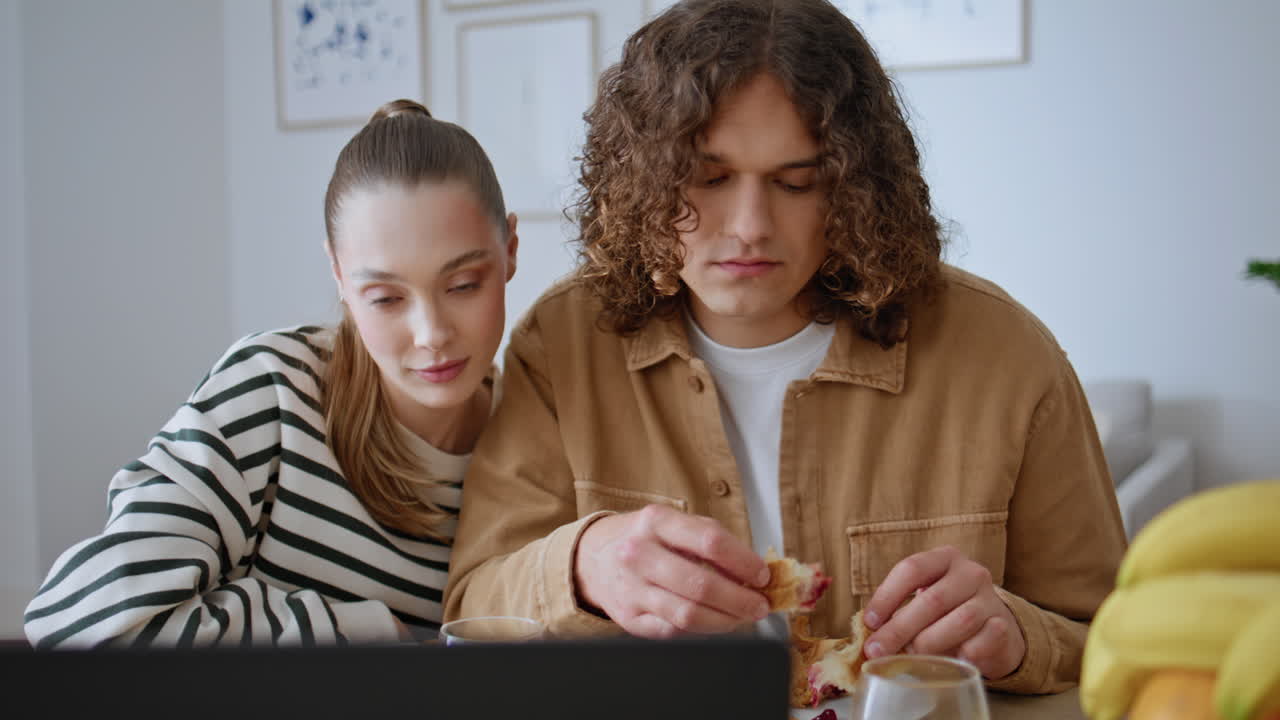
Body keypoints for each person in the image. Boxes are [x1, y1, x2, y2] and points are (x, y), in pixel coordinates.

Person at [442, 0, 1125, 694]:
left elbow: (1118, 637)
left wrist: (1013, 639)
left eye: (796, 183)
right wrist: (583, 566)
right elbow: (472, 607)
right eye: (708, 178)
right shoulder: (561, 346)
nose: (749, 227)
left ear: (856, 188)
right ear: (641, 178)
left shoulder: (1007, 358)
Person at [25, 99, 519, 648]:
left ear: (511, 251)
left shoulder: (534, 438)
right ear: (338, 274)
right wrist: (376, 633)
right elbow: (85, 620)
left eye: (463, 285)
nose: (430, 334)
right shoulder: (276, 392)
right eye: (384, 297)